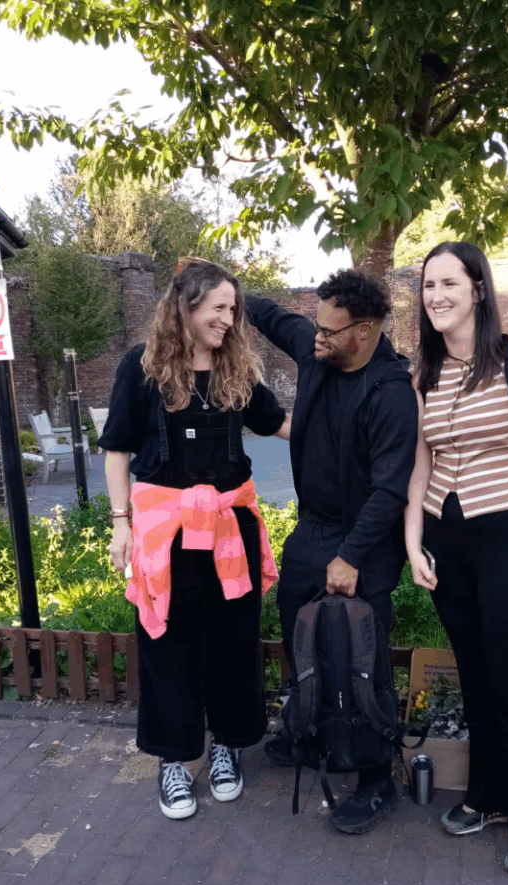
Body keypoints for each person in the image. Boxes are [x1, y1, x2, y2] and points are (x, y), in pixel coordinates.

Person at [99, 258, 290, 820]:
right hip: (167, 536)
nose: (228, 320)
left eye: (233, 309)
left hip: (231, 529)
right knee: (169, 649)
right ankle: (175, 760)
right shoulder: (143, 368)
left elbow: (279, 422)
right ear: (187, 305)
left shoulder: (236, 368)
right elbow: (117, 449)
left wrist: (344, 428)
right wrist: (120, 524)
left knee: (234, 643)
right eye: (219, 308)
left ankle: (227, 746)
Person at [405, 241, 508, 877]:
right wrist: (413, 539)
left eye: (450, 283)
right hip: (450, 542)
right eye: (428, 287)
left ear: (478, 289)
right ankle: (488, 795)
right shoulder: (427, 374)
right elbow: (423, 463)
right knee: (475, 676)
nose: (437, 296)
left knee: (505, 679)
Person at [245, 270, 418, 835]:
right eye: (316, 325)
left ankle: (375, 779)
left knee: (359, 653)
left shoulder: (390, 393)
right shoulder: (318, 349)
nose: (316, 336)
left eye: (330, 329)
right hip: (312, 530)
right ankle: (309, 733)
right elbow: (273, 318)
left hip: (362, 539)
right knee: (299, 628)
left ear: (363, 331)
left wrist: (350, 556)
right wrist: (221, 286)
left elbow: (391, 488)